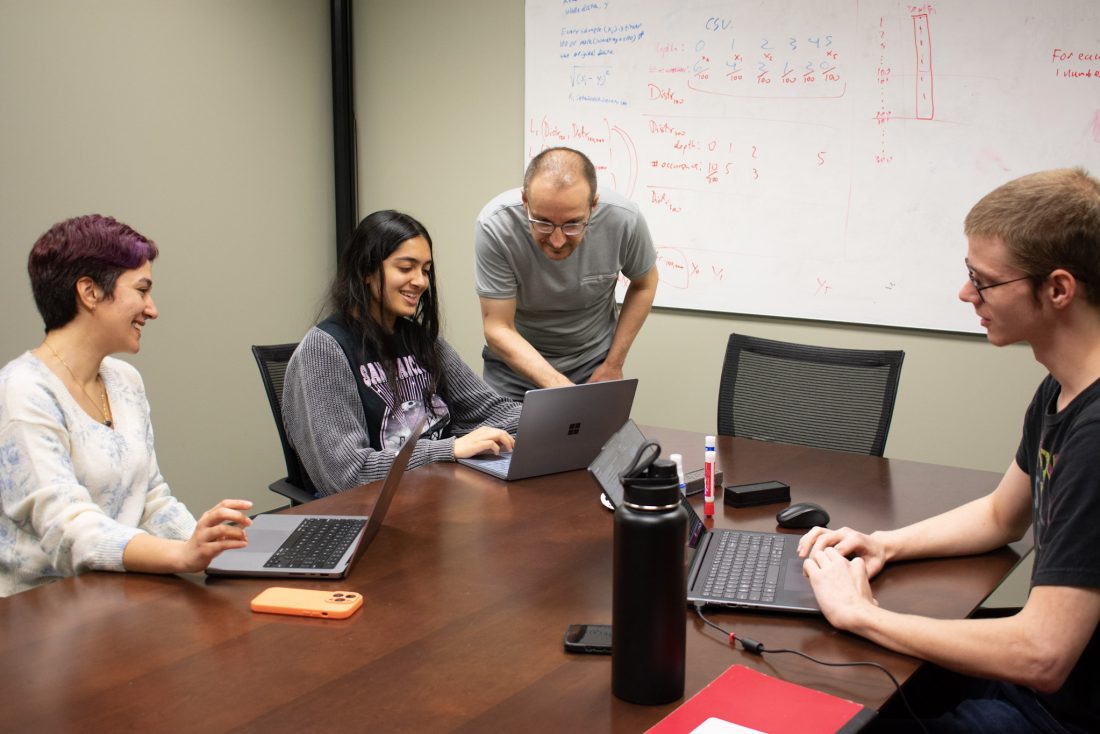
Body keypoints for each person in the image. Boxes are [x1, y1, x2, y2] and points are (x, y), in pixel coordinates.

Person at [799, 168, 1100, 734]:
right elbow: (1001, 515)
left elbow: (1042, 654)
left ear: (1058, 289)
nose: (967, 294)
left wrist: (861, 613)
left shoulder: (1095, 435)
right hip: (1041, 687)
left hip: (1061, 714)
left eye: (984, 282)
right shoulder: (1062, 389)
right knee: (821, 693)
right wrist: (884, 544)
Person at [0, 215, 253, 597]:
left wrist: (215, 552)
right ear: (89, 292)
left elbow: (150, 500)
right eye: (142, 290)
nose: (152, 309)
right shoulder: (21, 391)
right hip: (42, 611)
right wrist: (181, 555)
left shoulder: (123, 380)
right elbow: (68, 528)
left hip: (119, 596)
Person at [283, 210, 520, 496]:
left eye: (425, 270)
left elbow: (490, 410)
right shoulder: (323, 350)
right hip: (371, 509)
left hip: (437, 495)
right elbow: (347, 474)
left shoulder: (422, 340)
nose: (420, 281)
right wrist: (449, 449)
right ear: (366, 271)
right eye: (406, 268)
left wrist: (552, 418)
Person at [475, 146, 659, 400]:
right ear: (525, 202)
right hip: (514, 368)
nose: (557, 241)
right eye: (543, 223)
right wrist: (562, 388)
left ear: (593, 205)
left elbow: (645, 284)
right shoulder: (496, 226)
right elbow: (498, 327)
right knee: (507, 428)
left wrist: (613, 363)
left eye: (572, 224)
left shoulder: (624, 219)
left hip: (593, 364)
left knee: (599, 428)